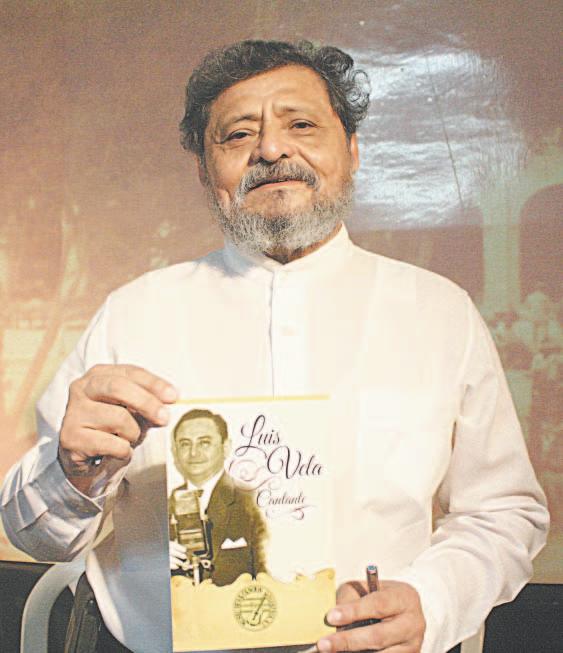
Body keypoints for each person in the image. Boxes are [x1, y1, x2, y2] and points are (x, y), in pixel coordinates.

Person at [0, 40, 548, 653]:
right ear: (205, 172)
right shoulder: (131, 315)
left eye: (301, 125)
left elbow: (504, 513)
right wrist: (72, 475)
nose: (270, 149)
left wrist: (434, 600)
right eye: (237, 135)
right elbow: (37, 535)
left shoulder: (440, 313)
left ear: (353, 151)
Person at [168, 408, 267, 585]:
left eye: (204, 443)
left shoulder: (252, 501)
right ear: (175, 451)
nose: (193, 453)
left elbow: (269, 576)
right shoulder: (161, 506)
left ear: (225, 447)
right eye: (185, 444)